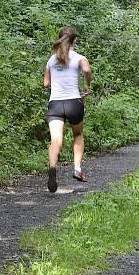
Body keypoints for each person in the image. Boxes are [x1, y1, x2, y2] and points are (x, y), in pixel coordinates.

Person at [43, 27, 92, 193]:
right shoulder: (79, 58)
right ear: (75, 41)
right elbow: (86, 70)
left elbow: (46, 83)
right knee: (77, 134)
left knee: (56, 141)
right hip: (73, 102)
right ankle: (77, 169)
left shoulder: (51, 59)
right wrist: (86, 86)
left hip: (55, 104)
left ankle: (52, 169)